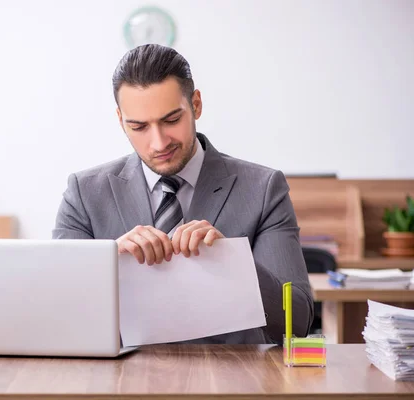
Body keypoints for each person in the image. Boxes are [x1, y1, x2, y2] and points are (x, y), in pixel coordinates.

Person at [52, 44, 313, 344]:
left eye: (172, 120)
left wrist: (231, 263)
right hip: (121, 385)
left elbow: (298, 322)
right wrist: (106, 264)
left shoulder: (263, 189)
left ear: (196, 105)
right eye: (138, 126)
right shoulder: (84, 194)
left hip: (229, 384)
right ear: (120, 119)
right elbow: (58, 314)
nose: (158, 142)